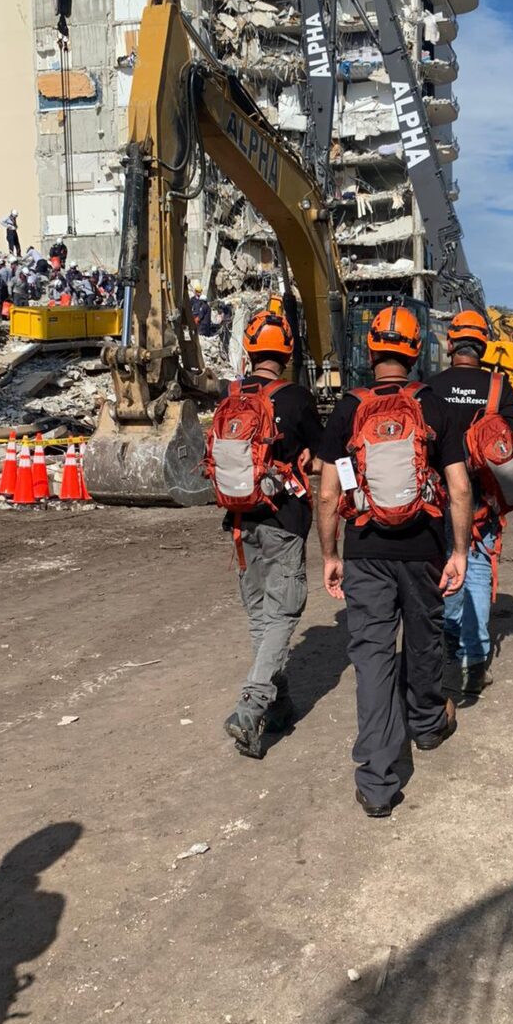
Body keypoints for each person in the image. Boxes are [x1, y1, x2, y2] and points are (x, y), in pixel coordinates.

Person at [317, 305, 472, 818]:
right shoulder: (435, 406)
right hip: (423, 547)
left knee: (373, 658)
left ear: (370, 351)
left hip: (365, 549)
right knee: (425, 638)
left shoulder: (347, 408)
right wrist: (459, 550)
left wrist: (330, 553)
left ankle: (378, 781)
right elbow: (459, 486)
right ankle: (427, 725)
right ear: (413, 350)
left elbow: (327, 492)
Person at [218, 311, 325, 758]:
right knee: (283, 615)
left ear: (249, 348)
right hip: (283, 521)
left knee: (262, 617)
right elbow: (321, 461)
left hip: (241, 524)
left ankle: (277, 707)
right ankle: (252, 704)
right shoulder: (298, 398)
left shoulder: (231, 397)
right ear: (286, 353)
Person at [428, 309, 513, 695]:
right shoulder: (497, 386)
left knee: (448, 567)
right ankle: (476, 661)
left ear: (452, 343)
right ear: (484, 345)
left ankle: (451, 645)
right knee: (476, 571)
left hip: (441, 496)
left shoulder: (433, 386)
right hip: (483, 499)